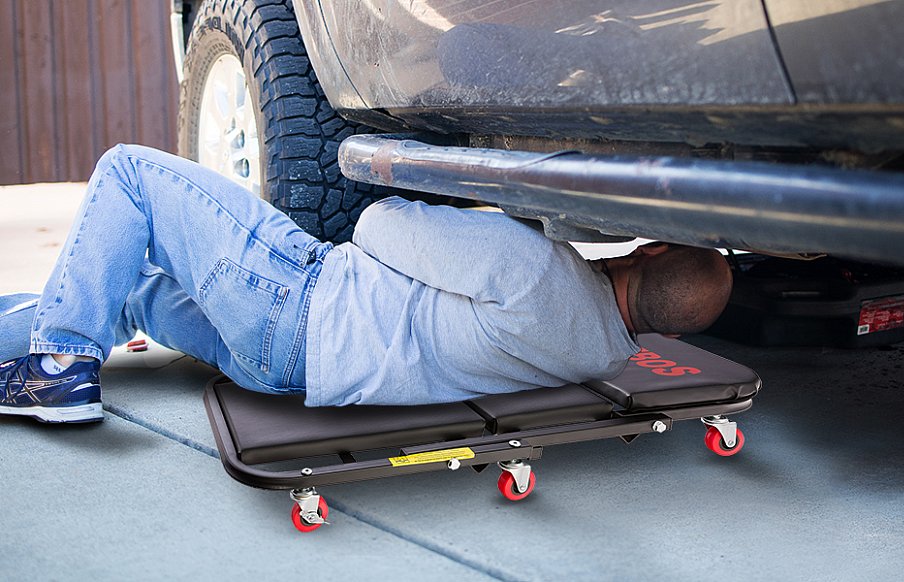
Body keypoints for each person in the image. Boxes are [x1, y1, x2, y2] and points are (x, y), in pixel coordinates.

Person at [0, 145, 732, 423]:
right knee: (128, 284)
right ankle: (50, 349)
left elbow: (377, 226)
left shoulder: (536, 271)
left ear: (652, 246)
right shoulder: (604, 355)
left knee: (129, 172)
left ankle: (60, 363)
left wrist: (471, 209)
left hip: (298, 300)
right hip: (285, 374)